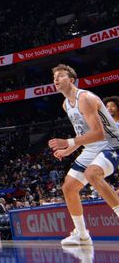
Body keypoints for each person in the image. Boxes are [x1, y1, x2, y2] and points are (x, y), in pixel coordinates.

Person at [48, 64, 119, 246]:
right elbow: (83, 134)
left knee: (92, 174)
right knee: (69, 188)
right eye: (54, 76)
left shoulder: (85, 98)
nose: (56, 79)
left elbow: (99, 133)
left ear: (71, 80)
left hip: (112, 143)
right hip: (92, 147)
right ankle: (82, 235)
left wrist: (69, 142)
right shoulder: (66, 104)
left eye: (61, 75)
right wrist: (69, 150)